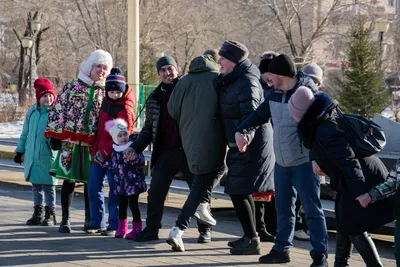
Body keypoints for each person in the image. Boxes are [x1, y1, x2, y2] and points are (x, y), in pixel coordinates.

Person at [235, 54, 328, 266]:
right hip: (282, 163)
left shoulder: (307, 95)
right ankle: (281, 249)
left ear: (281, 75)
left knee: (313, 211)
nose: (267, 80)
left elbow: (320, 131)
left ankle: (320, 256)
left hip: (304, 163)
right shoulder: (274, 95)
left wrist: (318, 159)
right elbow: (258, 116)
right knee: (283, 210)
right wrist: (242, 130)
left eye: (270, 76)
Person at [288, 87, 393, 267]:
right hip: (352, 177)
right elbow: (318, 146)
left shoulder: (325, 130)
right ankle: (340, 264)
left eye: (293, 113)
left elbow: (349, 162)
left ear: (302, 113)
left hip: (362, 177)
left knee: (354, 227)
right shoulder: (321, 122)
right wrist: (315, 159)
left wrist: (362, 193)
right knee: (344, 221)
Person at [123, 56, 212, 242]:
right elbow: (148, 129)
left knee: (199, 191)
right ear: (159, 74)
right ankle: (152, 229)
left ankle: (205, 230)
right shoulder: (155, 97)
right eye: (162, 70)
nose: (167, 73)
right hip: (165, 152)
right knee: (155, 191)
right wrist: (135, 148)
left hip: (189, 151)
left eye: (170, 68)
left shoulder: (187, 89)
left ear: (177, 70)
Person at [213, 40, 275, 255]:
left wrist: (245, 134)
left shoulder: (247, 81)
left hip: (252, 144)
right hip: (242, 143)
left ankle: (252, 240)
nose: (219, 61)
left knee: (237, 189)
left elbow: (251, 113)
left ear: (234, 61)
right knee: (239, 190)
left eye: (223, 58)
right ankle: (250, 236)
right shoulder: (231, 79)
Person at [45, 49, 113, 233]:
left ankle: (89, 220)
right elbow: (58, 109)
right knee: (69, 180)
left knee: (91, 182)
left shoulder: (107, 91)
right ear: (90, 67)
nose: (101, 70)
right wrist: (55, 135)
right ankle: (65, 220)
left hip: (93, 143)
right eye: (98, 66)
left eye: (105, 68)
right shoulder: (73, 86)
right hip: (70, 140)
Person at [165, 53, 226, 252]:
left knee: (204, 178)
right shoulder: (217, 80)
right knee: (208, 177)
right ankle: (178, 228)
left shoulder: (183, 82)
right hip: (213, 137)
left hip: (189, 139)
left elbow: (172, 110)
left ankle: (201, 204)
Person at [85, 67, 135, 235]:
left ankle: (115, 224)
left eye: (117, 92)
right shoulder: (105, 102)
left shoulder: (125, 109)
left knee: (115, 190)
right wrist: (95, 150)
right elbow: (100, 131)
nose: (114, 95)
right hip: (98, 154)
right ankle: (96, 221)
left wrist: (105, 153)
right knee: (93, 186)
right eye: (111, 91)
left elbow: (123, 136)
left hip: (116, 156)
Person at [15, 78, 57, 226]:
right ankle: (37, 212)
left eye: (50, 95)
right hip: (32, 155)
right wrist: (20, 151)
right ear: (39, 98)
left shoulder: (55, 113)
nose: (48, 98)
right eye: (45, 96)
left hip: (48, 155)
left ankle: (50, 212)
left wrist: (57, 142)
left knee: (48, 185)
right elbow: (24, 134)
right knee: (36, 186)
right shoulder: (32, 113)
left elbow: (60, 133)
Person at [103, 119, 147, 239]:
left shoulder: (133, 147)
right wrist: (104, 163)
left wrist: (134, 160)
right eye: (120, 136)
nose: (123, 138)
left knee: (133, 205)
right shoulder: (115, 151)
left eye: (125, 134)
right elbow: (113, 166)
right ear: (115, 139)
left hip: (133, 183)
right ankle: (122, 228)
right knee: (122, 205)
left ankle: (137, 228)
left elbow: (141, 161)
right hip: (121, 184)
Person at [254, 51, 278, 242]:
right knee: (261, 189)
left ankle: (271, 226)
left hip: (277, 147)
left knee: (273, 190)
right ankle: (259, 227)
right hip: (262, 146)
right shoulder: (259, 90)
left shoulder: (278, 90)